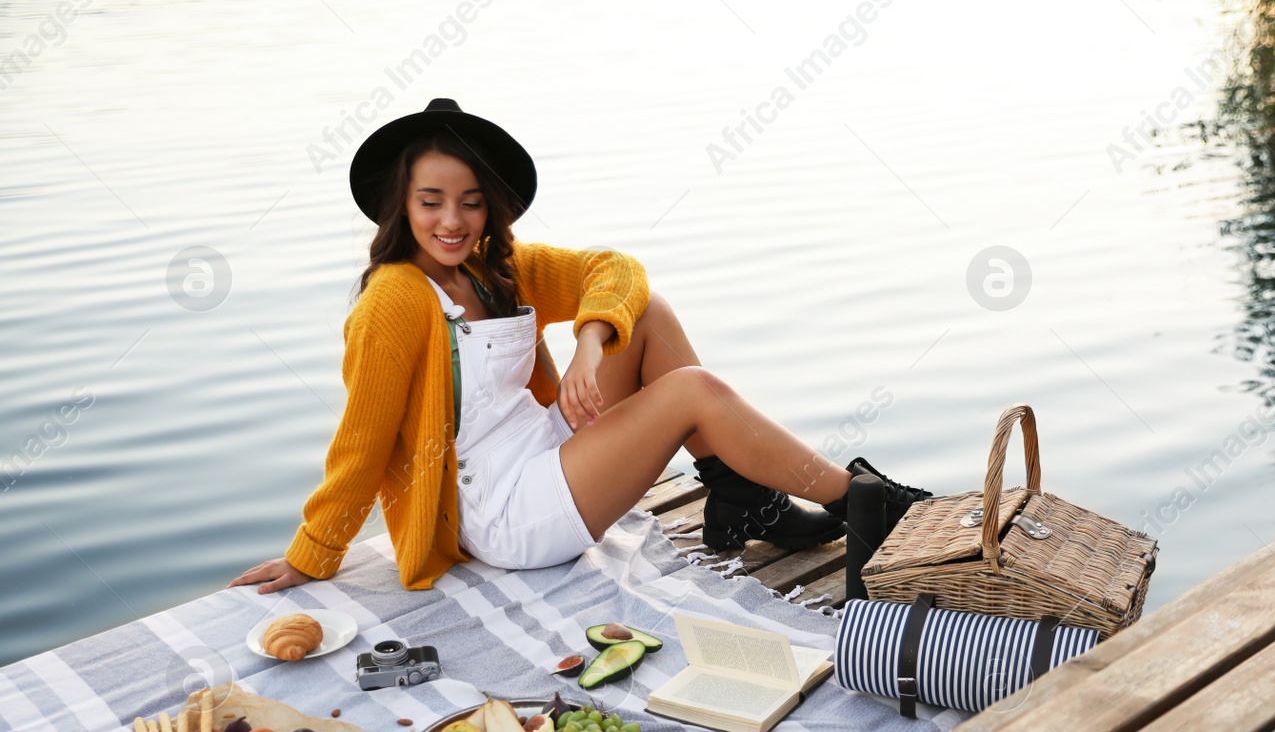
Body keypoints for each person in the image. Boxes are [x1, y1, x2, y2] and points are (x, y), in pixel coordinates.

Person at [230, 98, 931, 595]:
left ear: (490, 205)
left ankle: (739, 499)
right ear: (400, 203)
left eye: (471, 200)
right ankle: (864, 501)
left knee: (643, 311)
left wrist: (591, 339)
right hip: (501, 513)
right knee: (693, 392)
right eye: (431, 200)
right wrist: (313, 554)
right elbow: (361, 442)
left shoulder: (493, 266)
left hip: (541, 445)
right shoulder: (394, 298)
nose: (452, 220)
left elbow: (617, 269)